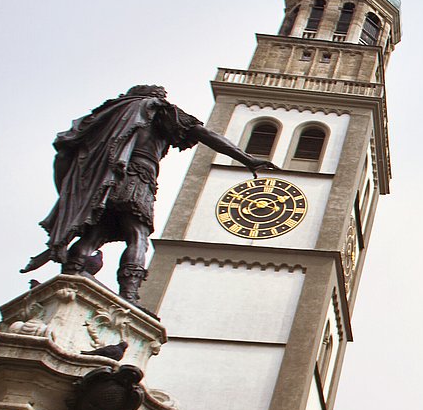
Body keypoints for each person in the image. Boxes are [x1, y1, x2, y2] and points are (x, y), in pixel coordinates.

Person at [22, 85, 275, 303]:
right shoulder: (159, 109)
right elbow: (205, 134)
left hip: (102, 180)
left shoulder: (107, 115)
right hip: (137, 177)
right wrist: (246, 158)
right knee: (137, 234)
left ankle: (69, 279)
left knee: (93, 235)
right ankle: (129, 296)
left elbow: (66, 151)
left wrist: (71, 189)